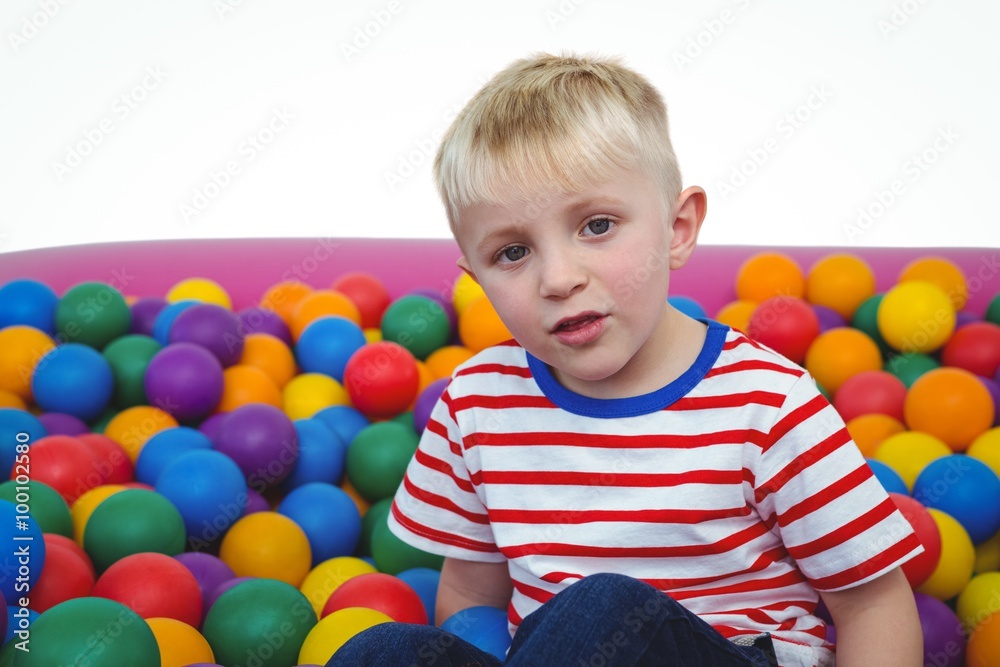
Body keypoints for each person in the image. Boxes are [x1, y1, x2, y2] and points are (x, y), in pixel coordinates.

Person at [331, 52, 923, 667]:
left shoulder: (767, 403)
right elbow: (470, 598)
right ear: (476, 279)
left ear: (677, 227)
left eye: (597, 225)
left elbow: (874, 605)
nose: (558, 279)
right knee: (381, 651)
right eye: (512, 253)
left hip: (732, 653)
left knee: (601, 612)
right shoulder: (477, 402)